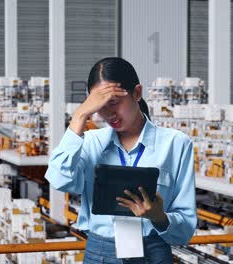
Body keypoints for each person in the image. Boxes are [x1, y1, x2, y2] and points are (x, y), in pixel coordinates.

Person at [45, 57, 197, 263]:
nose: (109, 114)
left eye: (114, 103)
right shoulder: (90, 143)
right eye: (99, 106)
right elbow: (58, 179)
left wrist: (159, 216)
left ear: (137, 93)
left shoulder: (176, 144)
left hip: (154, 251)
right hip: (101, 252)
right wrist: (80, 115)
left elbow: (186, 229)